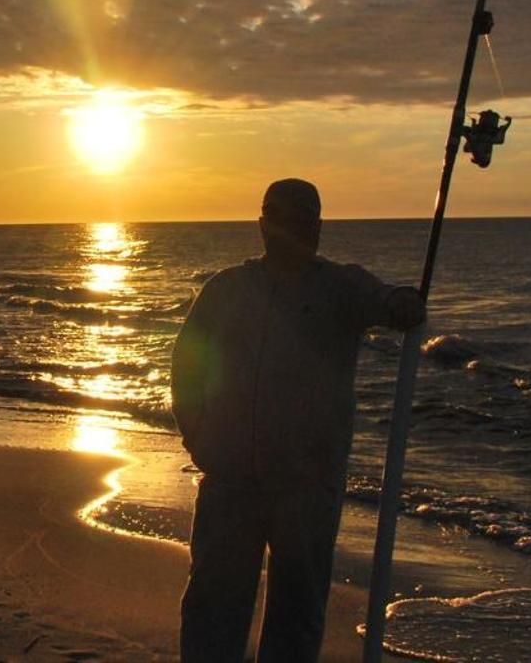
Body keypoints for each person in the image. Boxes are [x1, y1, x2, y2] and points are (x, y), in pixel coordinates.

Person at [170, 179, 425, 661]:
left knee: (297, 610)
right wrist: (198, 438)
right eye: (281, 218)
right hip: (230, 482)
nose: (291, 230)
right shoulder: (226, 289)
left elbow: (386, 302)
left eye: (302, 219)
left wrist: (403, 304)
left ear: (318, 225)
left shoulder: (341, 286)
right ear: (262, 224)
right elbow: (186, 365)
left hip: (307, 487)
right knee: (212, 607)